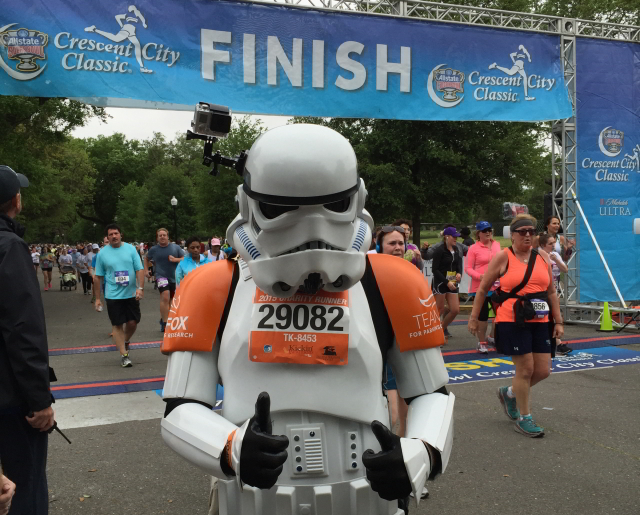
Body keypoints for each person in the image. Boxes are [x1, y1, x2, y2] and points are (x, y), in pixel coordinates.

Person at [160, 124, 453, 515]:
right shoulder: (213, 285)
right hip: (251, 501)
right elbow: (180, 408)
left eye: (333, 206)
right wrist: (229, 448)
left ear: (357, 199)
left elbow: (431, 393)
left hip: (366, 499)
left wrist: (420, 454)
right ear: (248, 205)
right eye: (279, 210)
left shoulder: (391, 281)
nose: (312, 230)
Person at [468, 214, 563, 437]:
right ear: (513, 235)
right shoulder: (503, 257)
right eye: (523, 232)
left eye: (531, 231)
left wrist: (558, 321)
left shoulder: (541, 257)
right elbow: (483, 289)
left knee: (543, 371)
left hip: (540, 319)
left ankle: (509, 393)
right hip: (512, 319)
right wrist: (473, 317)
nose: (528, 235)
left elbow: (551, 291)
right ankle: (524, 417)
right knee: (526, 369)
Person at [0, 165, 55, 514]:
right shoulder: (10, 247)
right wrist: (39, 400)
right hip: (11, 398)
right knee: (25, 487)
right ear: (15, 200)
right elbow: (23, 330)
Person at [94, 224, 144, 367]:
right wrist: (98, 298)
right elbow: (98, 277)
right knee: (117, 325)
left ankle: (125, 341)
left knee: (133, 322)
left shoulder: (130, 249)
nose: (114, 236)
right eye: (111, 234)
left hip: (131, 293)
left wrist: (140, 288)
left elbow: (139, 269)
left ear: (121, 234)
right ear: (107, 237)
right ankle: (124, 355)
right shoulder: (102, 253)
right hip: (113, 295)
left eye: (116, 233)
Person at [465, 221, 501, 353]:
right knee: (483, 316)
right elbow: (468, 268)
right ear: (478, 233)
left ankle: (492, 336)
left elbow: (502, 262)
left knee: (501, 314)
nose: (488, 233)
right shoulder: (473, 248)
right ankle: (481, 342)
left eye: (489, 230)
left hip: (497, 285)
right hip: (480, 287)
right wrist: (480, 276)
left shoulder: (497, 245)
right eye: (484, 230)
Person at [538, 232, 572, 356]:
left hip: (554, 289)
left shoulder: (555, 254)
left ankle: (556, 343)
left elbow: (565, 269)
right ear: (542, 245)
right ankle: (557, 343)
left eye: (554, 243)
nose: (553, 246)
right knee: (546, 316)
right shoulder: (538, 256)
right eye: (550, 244)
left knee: (554, 315)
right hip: (542, 290)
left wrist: (556, 259)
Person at [145, 228, 184, 332]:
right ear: (157, 238)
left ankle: (167, 319)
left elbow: (185, 258)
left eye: (164, 235)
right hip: (160, 275)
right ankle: (165, 323)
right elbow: (146, 258)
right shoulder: (154, 249)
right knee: (165, 295)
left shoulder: (175, 247)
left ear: (168, 237)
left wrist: (175, 259)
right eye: (160, 235)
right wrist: (146, 270)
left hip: (174, 277)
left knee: (172, 300)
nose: (162, 237)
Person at [431, 227, 462, 340]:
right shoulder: (440, 250)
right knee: (439, 309)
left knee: (455, 310)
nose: (456, 239)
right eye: (454, 237)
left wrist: (459, 273)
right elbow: (435, 269)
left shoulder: (456, 249)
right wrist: (446, 281)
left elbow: (458, 264)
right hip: (440, 282)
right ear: (446, 237)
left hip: (452, 281)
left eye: (456, 237)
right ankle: (433, 334)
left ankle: (441, 329)